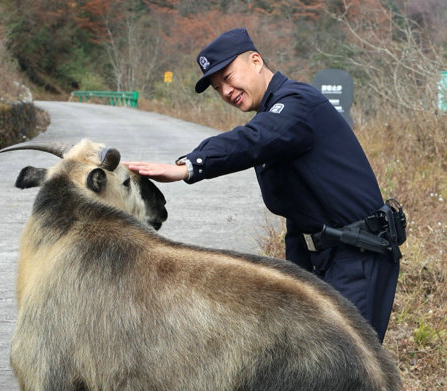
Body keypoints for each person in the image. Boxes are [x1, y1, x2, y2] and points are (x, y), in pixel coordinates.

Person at [125, 28, 403, 342]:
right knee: (314, 366)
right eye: (218, 89)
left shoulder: (297, 104)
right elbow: (300, 214)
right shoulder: (273, 116)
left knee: (348, 374)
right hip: (330, 255)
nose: (227, 91)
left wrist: (189, 165)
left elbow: (253, 138)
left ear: (256, 61)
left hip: (358, 255)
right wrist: (294, 282)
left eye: (229, 77)